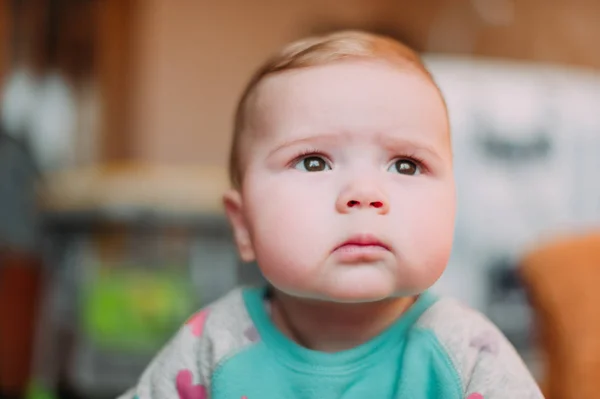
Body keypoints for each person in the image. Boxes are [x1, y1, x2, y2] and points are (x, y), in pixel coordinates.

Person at [119, 30, 543, 399]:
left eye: (406, 165)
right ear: (243, 224)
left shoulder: (468, 354)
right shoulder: (212, 346)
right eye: (314, 162)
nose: (363, 194)